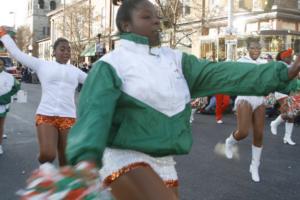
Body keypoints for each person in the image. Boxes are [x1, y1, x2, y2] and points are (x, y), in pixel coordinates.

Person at [66, 0, 300, 199]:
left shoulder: (176, 60)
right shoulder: (110, 65)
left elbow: (225, 73)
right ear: (126, 25)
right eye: (147, 17)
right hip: (124, 159)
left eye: (157, 16)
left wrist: (282, 73)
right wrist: (84, 163)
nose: (157, 21)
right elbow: (93, 115)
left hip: (166, 163)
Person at [0, 27, 87, 166]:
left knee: (67, 161)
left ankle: (62, 185)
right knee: (48, 154)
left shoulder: (76, 71)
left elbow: (96, 82)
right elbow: (17, 53)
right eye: (62, 49)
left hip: (68, 117)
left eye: (69, 50)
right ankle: (43, 172)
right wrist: (3, 35)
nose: (66, 52)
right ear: (54, 52)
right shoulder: (42, 65)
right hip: (46, 115)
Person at [224, 38, 270, 183]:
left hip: (260, 99)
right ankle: (230, 141)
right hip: (245, 98)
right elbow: (233, 79)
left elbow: (268, 79)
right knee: (243, 132)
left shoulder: (264, 63)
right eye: (253, 48)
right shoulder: (241, 61)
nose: (256, 50)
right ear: (247, 49)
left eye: (258, 48)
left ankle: (254, 165)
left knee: (259, 133)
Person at [270, 48, 297, 145]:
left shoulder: (290, 66)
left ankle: (287, 137)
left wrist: (293, 91)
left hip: (289, 92)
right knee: (290, 112)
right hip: (280, 92)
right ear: (284, 58)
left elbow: (293, 80)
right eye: (289, 57)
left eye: (291, 57)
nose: (291, 58)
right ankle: (275, 123)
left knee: (291, 115)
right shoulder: (279, 65)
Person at [0, 59, 20, 154]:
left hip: (2, 105)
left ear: (3, 65)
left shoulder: (8, 77)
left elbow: (17, 87)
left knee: (0, 126)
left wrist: (6, 98)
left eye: (1, 64)